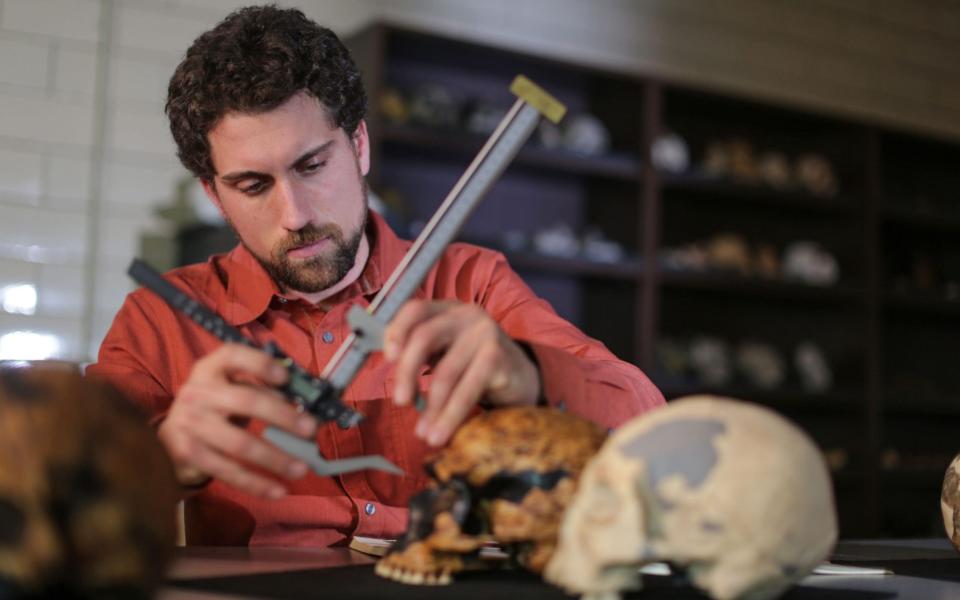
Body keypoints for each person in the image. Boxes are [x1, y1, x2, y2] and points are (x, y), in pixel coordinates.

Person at [87, 5, 664, 547]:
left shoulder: (470, 283)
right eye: (253, 186)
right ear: (214, 193)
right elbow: (65, 502)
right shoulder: (161, 320)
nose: (297, 215)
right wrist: (163, 458)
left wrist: (531, 377)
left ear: (358, 145)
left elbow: (648, 429)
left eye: (312, 165)